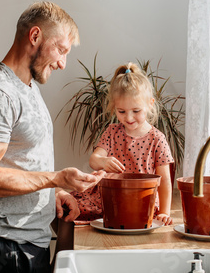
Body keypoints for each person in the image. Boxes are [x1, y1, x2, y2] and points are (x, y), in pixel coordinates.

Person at [0, 1, 104, 273]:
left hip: (25, 242)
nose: (64, 63)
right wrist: (54, 178)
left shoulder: (26, 87)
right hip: (4, 246)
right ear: (35, 36)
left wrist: (51, 194)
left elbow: (19, 162)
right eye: (61, 50)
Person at [72, 62, 174, 226]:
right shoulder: (112, 132)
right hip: (109, 198)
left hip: (142, 202)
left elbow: (165, 182)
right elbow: (94, 159)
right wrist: (103, 161)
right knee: (64, 205)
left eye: (136, 111)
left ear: (150, 104)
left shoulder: (157, 139)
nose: (129, 118)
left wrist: (164, 212)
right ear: (114, 108)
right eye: (121, 112)